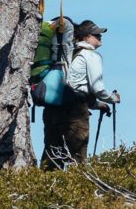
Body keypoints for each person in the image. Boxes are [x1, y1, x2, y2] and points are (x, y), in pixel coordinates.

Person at [41, 19, 120, 169]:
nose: (100, 37)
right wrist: (113, 99)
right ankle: (79, 190)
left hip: (53, 107)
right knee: (77, 155)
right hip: (75, 111)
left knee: (52, 154)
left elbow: (72, 87)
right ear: (86, 37)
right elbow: (97, 89)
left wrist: (96, 105)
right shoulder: (90, 55)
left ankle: (44, 189)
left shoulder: (66, 55)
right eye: (96, 34)